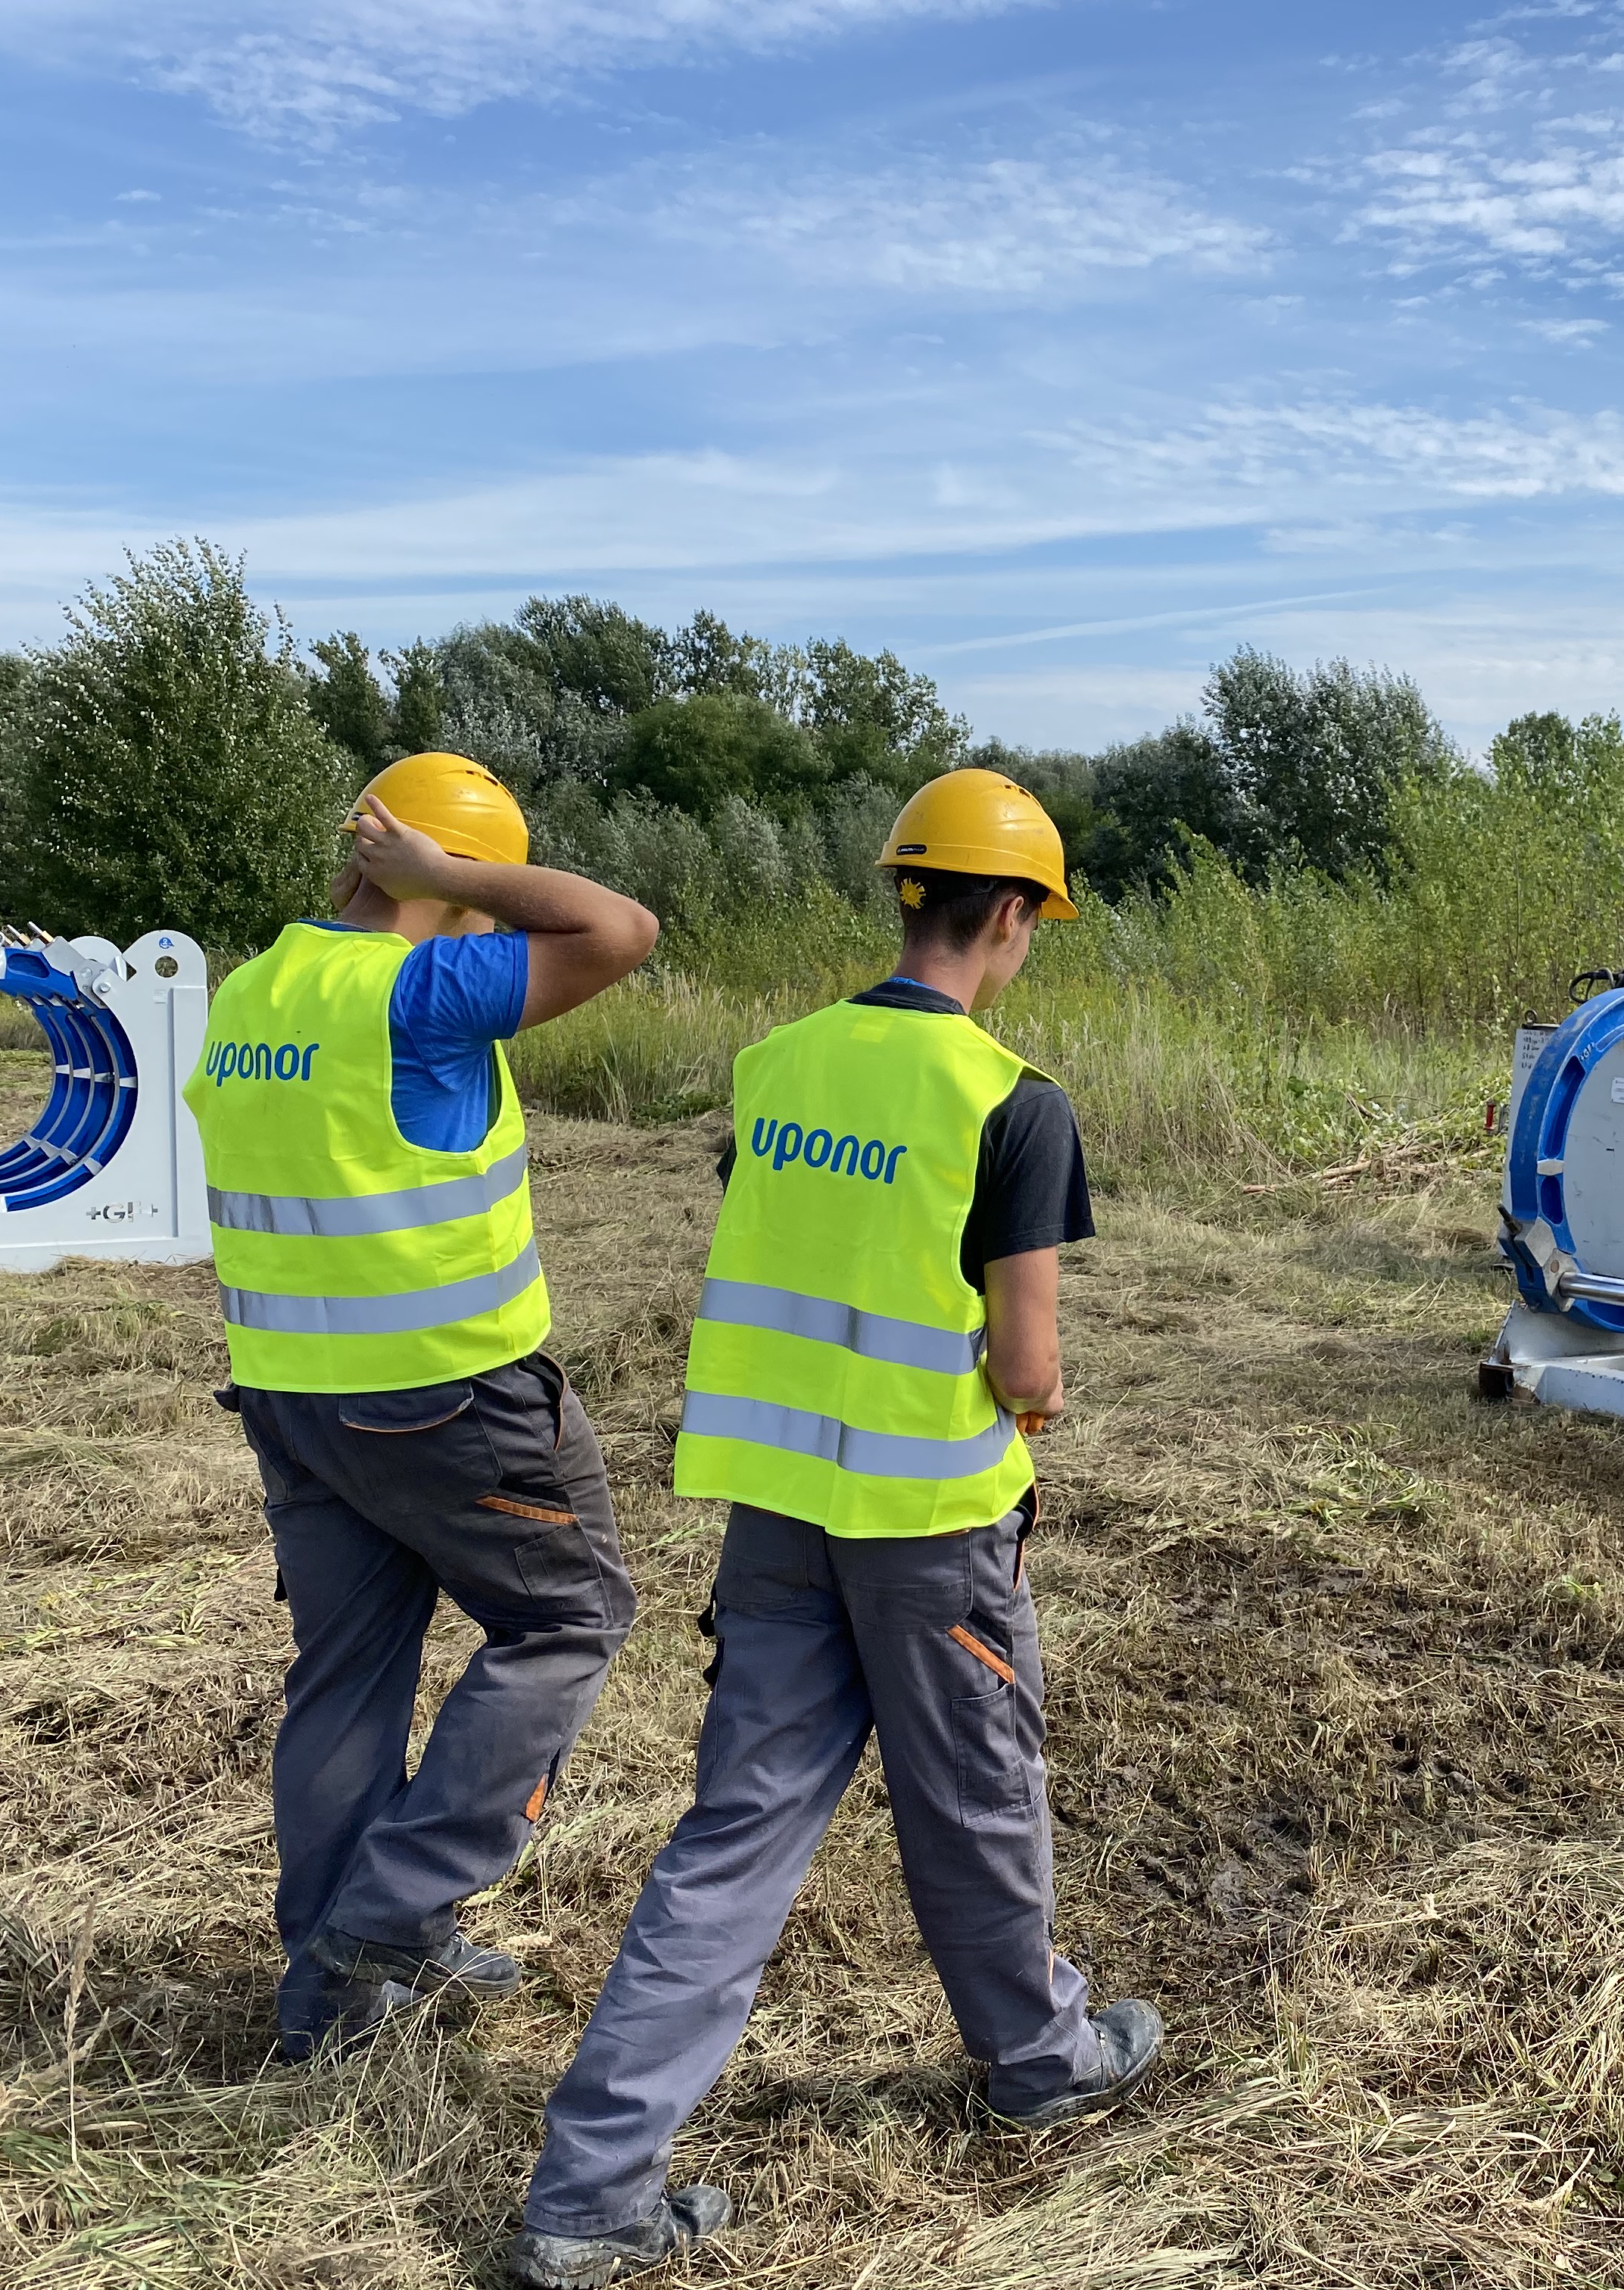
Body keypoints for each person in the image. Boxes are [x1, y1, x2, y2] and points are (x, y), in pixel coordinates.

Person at [507, 768, 1161, 2290]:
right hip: (932, 1532)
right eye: (1032, 925)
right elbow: (1028, 1366)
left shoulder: (779, 1066)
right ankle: (1039, 2062)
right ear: (1010, 914)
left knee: (734, 1838)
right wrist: (1034, 1420)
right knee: (979, 1804)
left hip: (778, 1513)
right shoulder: (1012, 1103)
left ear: (903, 896)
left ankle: (590, 2192)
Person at [182, 750, 659, 2061]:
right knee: (569, 1617)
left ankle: (326, 1997)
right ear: (431, 870)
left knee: (347, 1676)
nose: (491, 916)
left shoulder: (256, 991)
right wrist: (447, 880)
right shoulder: (420, 989)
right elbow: (621, 930)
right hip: (450, 1395)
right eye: (474, 887)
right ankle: (395, 1910)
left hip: (293, 1395)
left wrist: (436, 880)